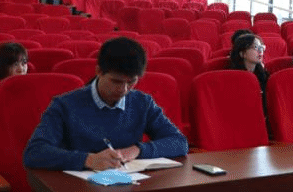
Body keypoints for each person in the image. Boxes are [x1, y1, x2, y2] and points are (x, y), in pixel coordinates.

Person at [23, 37, 188, 171]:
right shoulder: (65, 105)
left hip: (130, 186)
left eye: (131, 82)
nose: (124, 89)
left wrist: (137, 150)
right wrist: (88, 160)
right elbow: (35, 152)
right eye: (116, 81)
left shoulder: (142, 103)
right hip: (79, 190)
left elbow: (179, 142)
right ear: (99, 72)